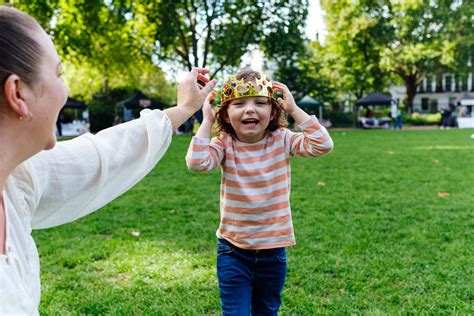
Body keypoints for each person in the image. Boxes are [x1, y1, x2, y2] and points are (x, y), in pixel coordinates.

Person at [0, 6, 216, 314]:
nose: (66, 91)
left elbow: (101, 154)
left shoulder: (17, 178)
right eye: (59, 74)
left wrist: (182, 110)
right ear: (18, 94)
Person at [185, 69, 334, 315]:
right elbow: (197, 162)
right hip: (233, 251)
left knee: (267, 311)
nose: (250, 109)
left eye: (260, 103)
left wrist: (295, 109)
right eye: (239, 104)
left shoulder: (282, 139)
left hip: (273, 252)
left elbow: (323, 144)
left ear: (274, 110)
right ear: (226, 114)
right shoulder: (224, 143)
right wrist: (207, 122)